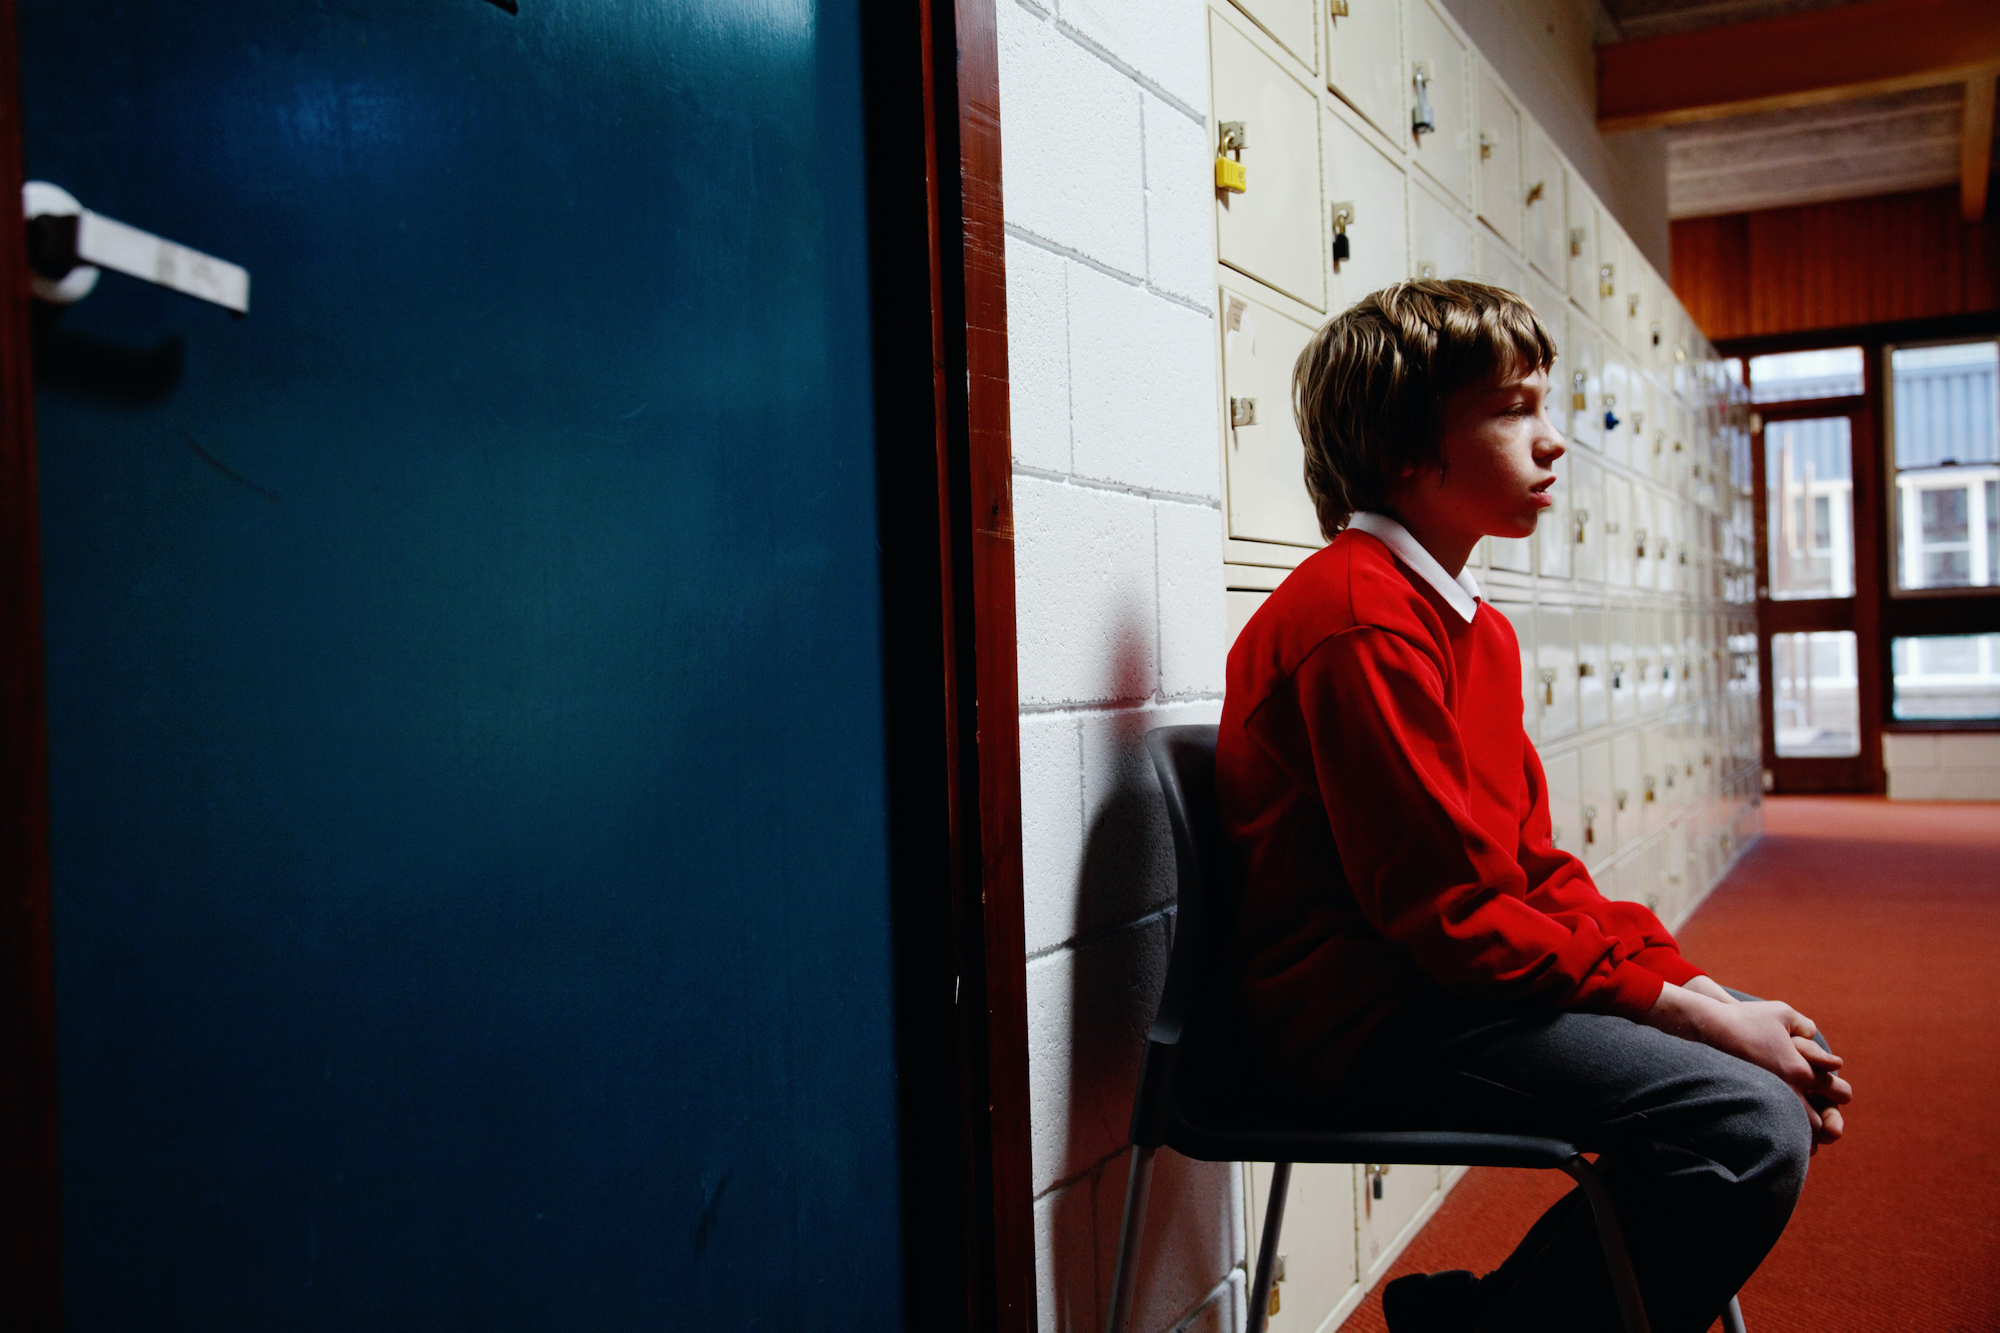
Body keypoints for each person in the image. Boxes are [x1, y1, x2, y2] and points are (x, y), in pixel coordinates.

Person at [1212, 280, 1851, 1332]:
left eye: (1545, 405)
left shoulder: (1472, 626)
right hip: (1367, 1022)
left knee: (1756, 1085)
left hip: (1436, 990)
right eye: (1512, 410)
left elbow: (1530, 870)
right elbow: (1453, 916)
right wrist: (1691, 1014)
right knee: (1740, 1127)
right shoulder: (1357, 617)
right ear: (1403, 447)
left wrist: (1696, 987)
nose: (1553, 441)